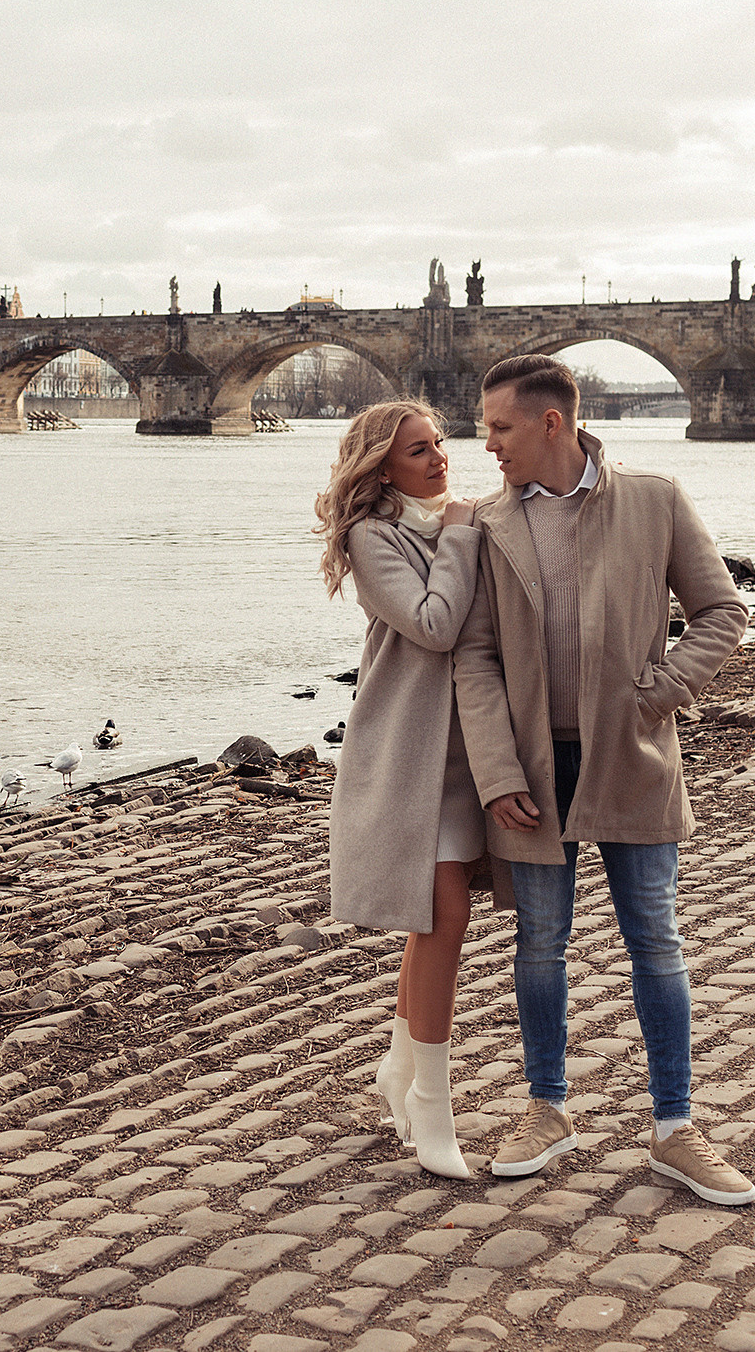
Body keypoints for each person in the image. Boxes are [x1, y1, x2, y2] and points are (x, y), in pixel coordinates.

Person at [451, 354, 755, 1205]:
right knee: (538, 945)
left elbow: (723, 612)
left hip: (631, 756)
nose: (488, 445)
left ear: (553, 423)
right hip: (530, 770)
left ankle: (675, 1128)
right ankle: (546, 1107)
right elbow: (474, 658)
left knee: (654, 941)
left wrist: (657, 693)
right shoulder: (485, 521)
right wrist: (495, 768)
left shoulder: (654, 500)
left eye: (500, 428)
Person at [317, 400, 491, 1179]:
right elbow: (435, 623)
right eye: (418, 451)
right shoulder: (374, 535)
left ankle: (398, 1068)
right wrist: (458, 533)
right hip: (410, 754)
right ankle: (433, 1106)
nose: (438, 458)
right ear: (381, 466)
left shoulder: (461, 518)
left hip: (473, 753)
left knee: (434, 920)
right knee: (444, 913)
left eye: (440, 444)